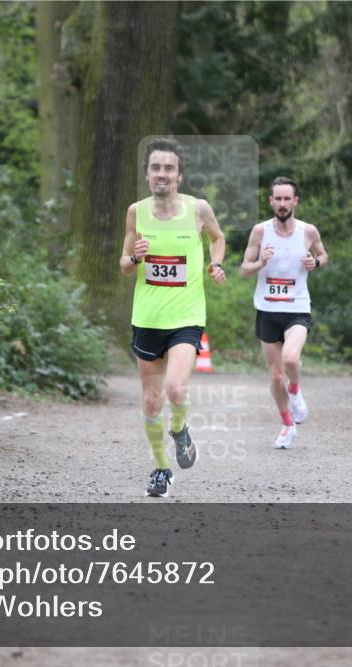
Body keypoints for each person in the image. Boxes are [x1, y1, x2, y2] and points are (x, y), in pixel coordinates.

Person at [120, 138, 226, 497]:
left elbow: (217, 237)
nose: (161, 174)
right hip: (147, 318)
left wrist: (217, 262)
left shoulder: (198, 209)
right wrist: (134, 257)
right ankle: (162, 470)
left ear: (179, 175)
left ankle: (179, 430)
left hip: (186, 316)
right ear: (147, 175)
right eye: (155, 168)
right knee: (151, 401)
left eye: (168, 168)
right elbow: (123, 266)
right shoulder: (136, 211)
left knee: (176, 389)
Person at [241, 177, 327, 449]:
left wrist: (315, 262)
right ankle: (287, 424)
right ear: (270, 201)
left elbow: (323, 256)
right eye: (277, 199)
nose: (282, 204)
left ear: (295, 201)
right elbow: (244, 269)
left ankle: (295, 390)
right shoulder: (259, 231)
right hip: (267, 309)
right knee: (276, 376)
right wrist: (261, 263)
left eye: (286, 199)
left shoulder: (308, 231)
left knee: (291, 357)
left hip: (297, 308)